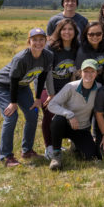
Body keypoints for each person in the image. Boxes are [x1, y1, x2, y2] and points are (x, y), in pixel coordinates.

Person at [0, 28, 53, 166]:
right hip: (3, 86)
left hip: (23, 86)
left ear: (46, 40)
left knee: (32, 114)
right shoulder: (21, 58)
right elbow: (13, 80)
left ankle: (27, 151)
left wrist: (38, 98)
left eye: (41, 39)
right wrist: (13, 102)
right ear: (29, 41)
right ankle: (6, 156)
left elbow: (42, 76)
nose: (38, 43)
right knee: (11, 116)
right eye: (34, 40)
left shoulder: (48, 55)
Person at [47, 59, 100, 170]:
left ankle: (75, 145)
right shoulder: (71, 87)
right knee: (58, 120)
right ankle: (56, 156)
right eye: (86, 71)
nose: (89, 74)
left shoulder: (99, 89)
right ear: (80, 72)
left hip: (82, 128)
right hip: (65, 125)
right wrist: (69, 114)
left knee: (90, 156)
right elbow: (51, 105)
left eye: (92, 71)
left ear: (97, 73)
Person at [42, 19, 80, 160]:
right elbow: (47, 72)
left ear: (75, 32)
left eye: (70, 29)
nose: (67, 32)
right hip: (49, 86)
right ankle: (49, 146)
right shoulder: (50, 48)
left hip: (68, 88)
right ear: (58, 31)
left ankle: (73, 140)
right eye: (64, 29)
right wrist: (51, 94)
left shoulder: (77, 47)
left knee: (73, 112)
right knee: (49, 112)